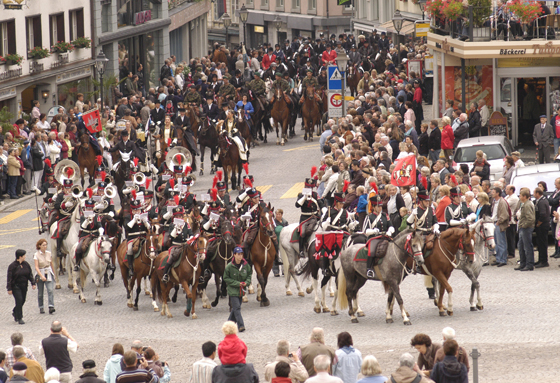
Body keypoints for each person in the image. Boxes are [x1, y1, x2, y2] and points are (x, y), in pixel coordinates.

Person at [223, 248, 252, 332]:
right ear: (234, 255)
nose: (240, 256)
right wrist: (237, 283)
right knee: (237, 308)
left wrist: (247, 282)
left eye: (241, 254)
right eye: (238, 254)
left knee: (235, 309)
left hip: (241, 290)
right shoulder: (229, 266)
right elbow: (226, 278)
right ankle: (241, 325)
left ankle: (228, 324)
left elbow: (249, 274)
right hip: (233, 290)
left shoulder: (246, 265)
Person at [7, 249, 36, 325]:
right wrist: (9, 288)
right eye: (24, 256)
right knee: (19, 300)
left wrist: (33, 283)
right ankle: (20, 317)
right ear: (20, 256)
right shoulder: (12, 266)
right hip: (16, 286)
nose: (25, 257)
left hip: (24, 286)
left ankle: (15, 311)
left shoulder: (26, 264)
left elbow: (29, 274)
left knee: (23, 300)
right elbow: (9, 278)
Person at [33, 239, 55, 315]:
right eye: (43, 245)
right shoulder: (36, 255)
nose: (45, 246)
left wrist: (54, 274)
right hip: (41, 272)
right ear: (39, 246)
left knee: (50, 290)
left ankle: (51, 306)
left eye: (46, 245)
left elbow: (51, 264)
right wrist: (41, 276)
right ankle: (41, 306)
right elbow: (36, 267)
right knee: (40, 293)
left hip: (48, 272)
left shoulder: (49, 253)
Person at [490, 187, 510, 267]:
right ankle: (498, 259)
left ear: (498, 193)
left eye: (493, 192)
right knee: (496, 242)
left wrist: (498, 222)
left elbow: (505, 214)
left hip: (499, 224)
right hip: (494, 223)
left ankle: (503, 259)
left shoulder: (502, 202)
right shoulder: (494, 201)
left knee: (501, 242)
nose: (492, 193)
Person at [534, 187, 550, 268]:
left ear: (538, 193)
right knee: (539, 243)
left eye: (534, 193)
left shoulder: (542, 202)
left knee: (543, 243)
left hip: (543, 226)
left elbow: (543, 214)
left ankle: (544, 261)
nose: (533, 194)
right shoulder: (539, 201)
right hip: (540, 226)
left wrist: (538, 223)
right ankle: (540, 259)